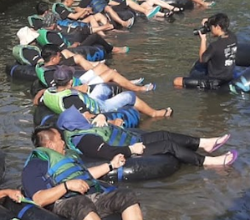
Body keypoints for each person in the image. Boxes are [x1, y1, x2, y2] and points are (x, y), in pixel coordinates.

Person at [22, 126, 171, 220]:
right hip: (64, 202)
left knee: (125, 195)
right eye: (60, 139)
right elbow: (38, 199)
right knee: (81, 203)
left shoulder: (68, 158)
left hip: (92, 195)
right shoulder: (34, 165)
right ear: (49, 145)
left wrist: (112, 165)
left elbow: (87, 175)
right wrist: (67, 186)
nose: (63, 143)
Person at [55, 107, 238, 168]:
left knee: (163, 134)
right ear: (74, 122)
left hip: (131, 140)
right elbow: (107, 152)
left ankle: (205, 143)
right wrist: (131, 150)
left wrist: (102, 116)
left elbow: (103, 128)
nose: (84, 114)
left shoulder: (85, 127)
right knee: (168, 145)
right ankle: (208, 162)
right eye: (80, 115)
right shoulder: (85, 139)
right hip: (128, 153)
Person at [34, 66, 172, 120]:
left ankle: (125, 82)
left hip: (87, 98)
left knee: (102, 86)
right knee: (129, 96)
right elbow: (87, 116)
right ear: (70, 82)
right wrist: (108, 120)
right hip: (99, 107)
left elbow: (38, 97)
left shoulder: (48, 92)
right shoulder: (70, 100)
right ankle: (154, 113)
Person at [35, 45, 151, 93]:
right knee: (111, 73)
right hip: (79, 86)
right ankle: (138, 89)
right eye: (59, 56)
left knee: (101, 67)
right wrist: (79, 87)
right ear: (54, 58)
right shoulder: (48, 74)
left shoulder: (44, 66)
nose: (61, 57)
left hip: (78, 80)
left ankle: (127, 82)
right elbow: (57, 90)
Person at [173, 13, 238, 90]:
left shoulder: (215, 45)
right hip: (228, 75)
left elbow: (202, 60)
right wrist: (208, 21)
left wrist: (203, 40)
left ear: (217, 27)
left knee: (177, 81)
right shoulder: (233, 37)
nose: (210, 29)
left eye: (211, 27)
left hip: (214, 81)